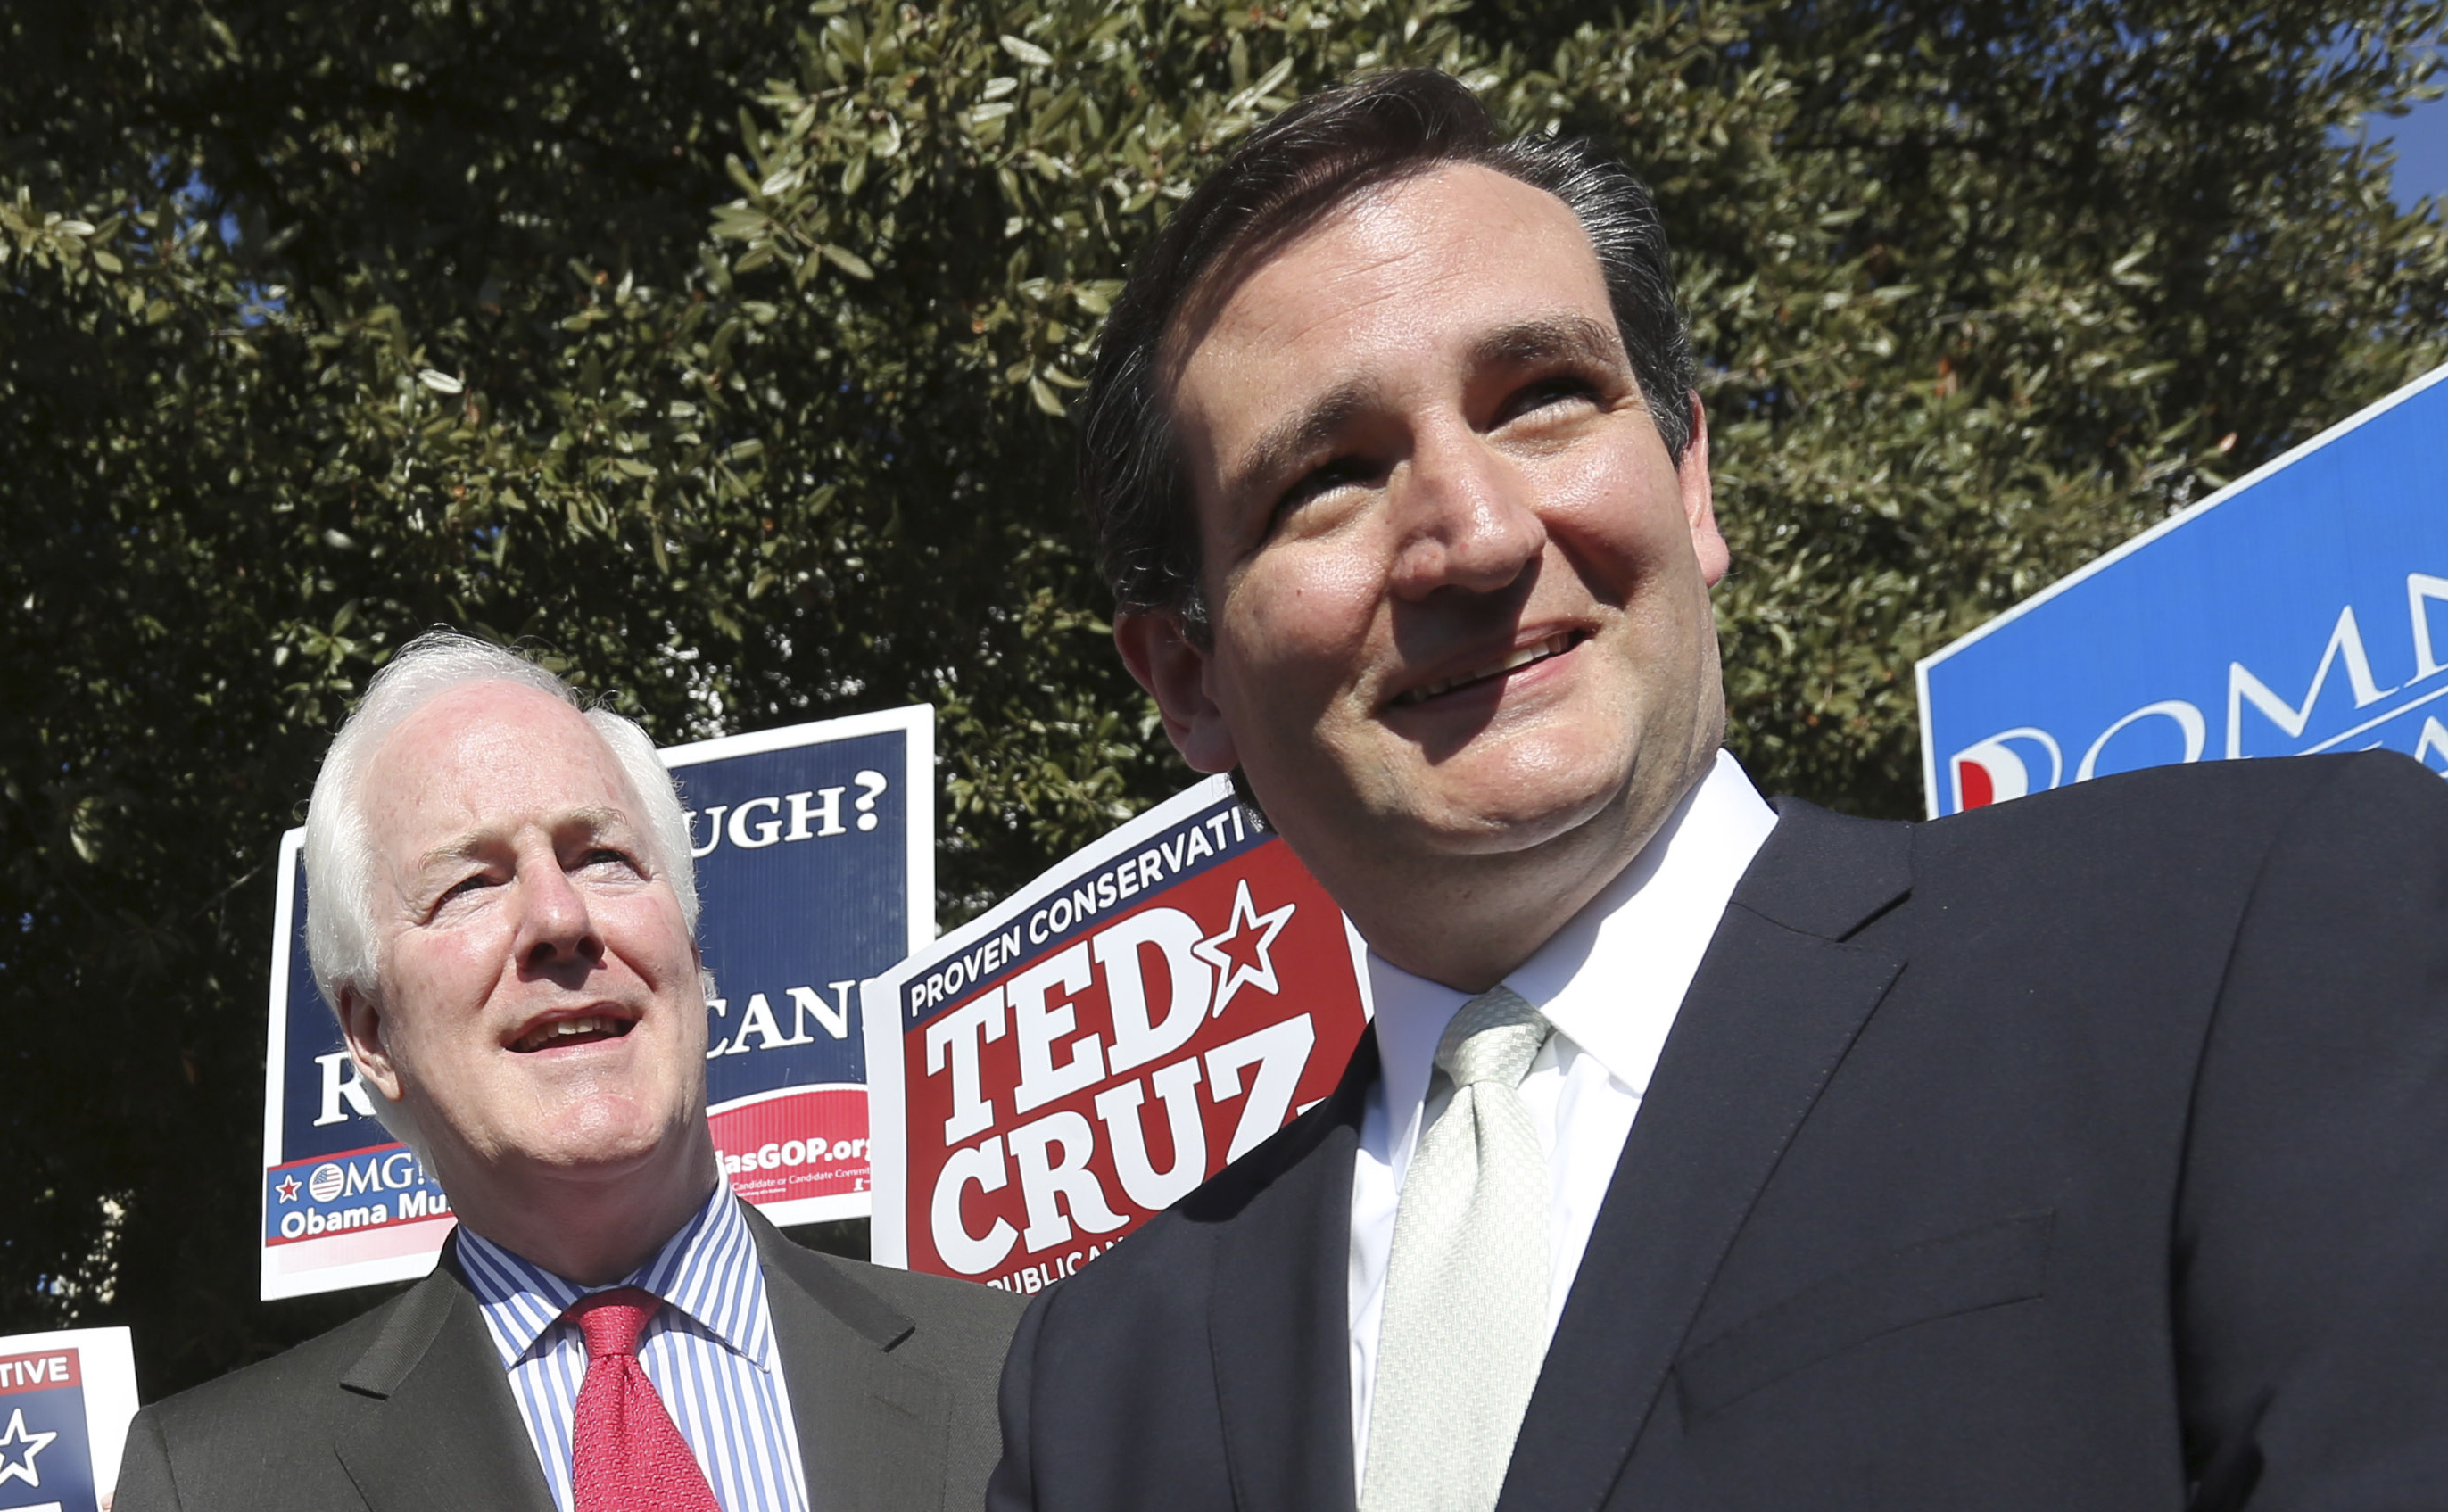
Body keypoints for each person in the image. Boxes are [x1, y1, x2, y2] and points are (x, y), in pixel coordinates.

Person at [988, 68, 2448, 1512]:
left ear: (1690, 488)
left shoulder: (2238, 945)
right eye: (1328, 475)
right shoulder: (1097, 1381)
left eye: (1542, 399)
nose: (1477, 536)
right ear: (1183, 676)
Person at [118, 632, 1021, 1512]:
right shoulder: (210, 1484)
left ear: (691, 950)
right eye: (469, 883)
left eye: (604, 859)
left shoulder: (1021, 1370)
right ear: (371, 1034)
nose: (559, 914)